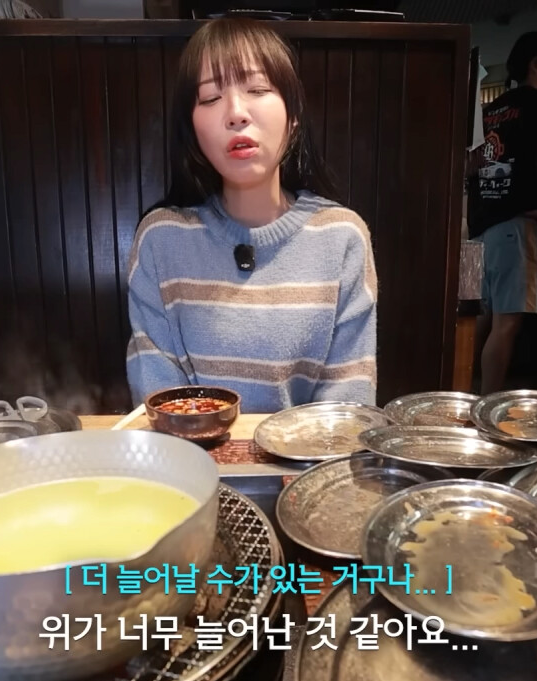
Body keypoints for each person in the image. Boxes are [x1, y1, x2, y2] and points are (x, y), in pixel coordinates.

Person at [124, 18, 378, 413]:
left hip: (309, 455)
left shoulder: (341, 237)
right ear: (192, 129)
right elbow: (160, 405)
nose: (236, 113)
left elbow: (346, 408)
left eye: (257, 90)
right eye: (210, 98)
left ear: (293, 115)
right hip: (186, 454)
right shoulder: (161, 240)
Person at [469, 30, 537, 394]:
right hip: (516, 227)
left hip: (480, 231)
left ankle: (461, 396)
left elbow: (471, 165)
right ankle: (487, 407)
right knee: (507, 324)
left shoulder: (489, 112)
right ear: (536, 63)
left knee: (478, 320)